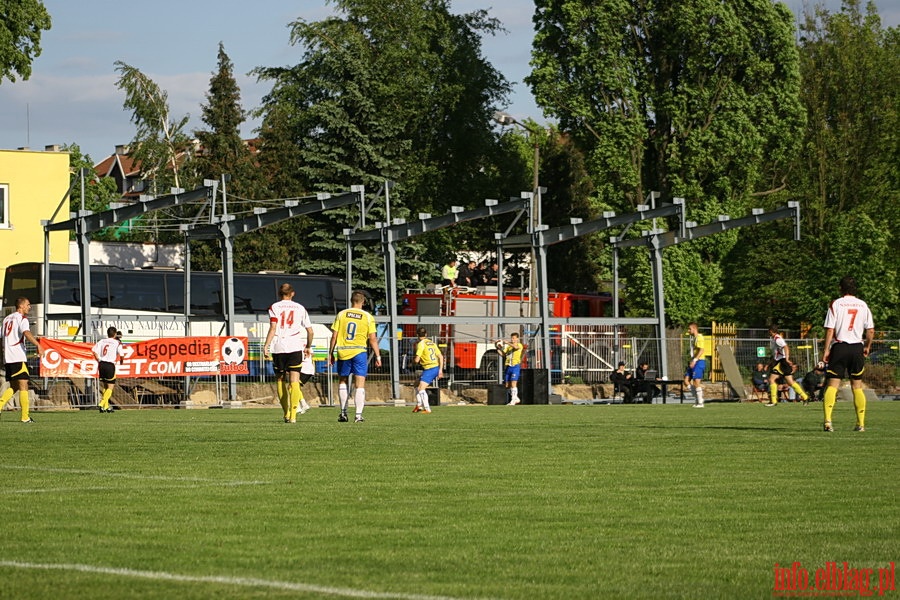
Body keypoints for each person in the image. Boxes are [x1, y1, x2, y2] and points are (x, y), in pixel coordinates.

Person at [821, 276, 874, 432]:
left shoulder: (836, 304)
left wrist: (826, 350)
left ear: (840, 288)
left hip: (840, 347)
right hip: (857, 347)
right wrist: (867, 346)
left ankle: (828, 422)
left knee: (833, 385)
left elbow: (830, 329)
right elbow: (870, 330)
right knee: (857, 386)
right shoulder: (863, 305)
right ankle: (860, 424)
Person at [264, 283, 314, 424]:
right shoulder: (300, 308)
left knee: (280, 380)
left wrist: (266, 345)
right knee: (294, 381)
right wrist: (308, 346)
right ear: (292, 293)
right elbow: (310, 331)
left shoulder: (274, 307)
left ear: (280, 294)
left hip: (279, 346)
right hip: (295, 347)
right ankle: (293, 416)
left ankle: (286, 413)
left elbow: (273, 328)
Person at [329, 290, 381, 423]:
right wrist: (378, 356)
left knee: (342, 381)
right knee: (360, 383)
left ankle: (343, 413)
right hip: (359, 352)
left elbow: (334, 335)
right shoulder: (368, 317)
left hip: (344, 351)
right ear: (363, 302)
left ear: (352, 301)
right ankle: (358, 415)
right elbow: (373, 339)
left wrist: (331, 353)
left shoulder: (341, 314)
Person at [0, 298, 44, 423]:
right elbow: (26, 333)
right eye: (28, 305)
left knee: (14, 386)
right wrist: (38, 345)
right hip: (18, 357)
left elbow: (0, 338)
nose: (29, 307)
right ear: (22, 306)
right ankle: (25, 417)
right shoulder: (22, 319)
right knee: (24, 385)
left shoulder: (6, 319)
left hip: (8, 357)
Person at [765, 325, 809, 406]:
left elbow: (786, 347)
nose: (768, 333)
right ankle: (805, 397)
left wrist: (787, 359)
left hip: (782, 362)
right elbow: (776, 353)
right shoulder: (774, 339)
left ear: (771, 331)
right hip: (779, 362)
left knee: (775, 380)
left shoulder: (778, 339)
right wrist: (770, 363)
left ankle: (774, 401)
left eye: (769, 331)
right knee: (787, 381)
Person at [92, 326, 125, 413]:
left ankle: (105, 407)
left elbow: (94, 351)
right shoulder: (117, 343)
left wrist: (99, 360)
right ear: (115, 334)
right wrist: (122, 361)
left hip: (102, 364)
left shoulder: (102, 341)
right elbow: (122, 354)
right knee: (110, 387)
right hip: (110, 365)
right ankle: (102, 403)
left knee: (105, 386)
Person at [412, 326, 443, 414]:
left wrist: (412, 362)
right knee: (416, 384)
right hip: (435, 367)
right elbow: (440, 356)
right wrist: (440, 370)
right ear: (426, 334)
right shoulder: (432, 343)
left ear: (417, 335)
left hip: (430, 368)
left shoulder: (421, 344)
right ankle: (419, 405)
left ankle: (427, 409)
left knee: (421, 388)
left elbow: (417, 360)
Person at [495, 332, 524, 405]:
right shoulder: (509, 347)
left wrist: (507, 342)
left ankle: (513, 400)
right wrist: (497, 348)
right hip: (508, 366)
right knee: (507, 385)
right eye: (512, 338)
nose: (512, 339)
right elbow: (503, 354)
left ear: (517, 338)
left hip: (515, 366)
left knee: (514, 382)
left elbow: (516, 347)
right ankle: (515, 397)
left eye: (514, 338)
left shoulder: (519, 345)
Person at [684, 322, 706, 408]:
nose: (688, 331)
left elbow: (702, 350)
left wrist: (695, 360)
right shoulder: (694, 338)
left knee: (696, 382)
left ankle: (700, 402)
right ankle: (697, 398)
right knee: (686, 380)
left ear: (694, 328)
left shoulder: (699, 337)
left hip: (699, 361)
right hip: (694, 361)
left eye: (689, 329)